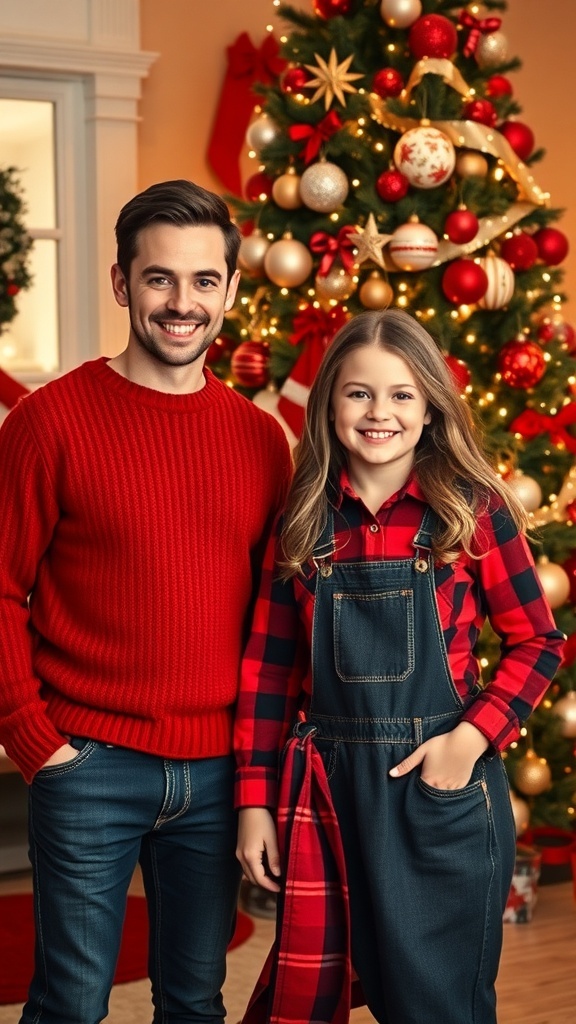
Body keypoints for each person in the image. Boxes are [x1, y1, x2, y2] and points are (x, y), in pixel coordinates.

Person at [0, 179, 292, 1024]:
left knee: (196, 1003)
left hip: (216, 771)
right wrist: (35, 740)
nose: (183, 304)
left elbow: (274, 623)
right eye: (160, 279)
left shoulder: (259, 439)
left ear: (231, 291)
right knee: (69, 1003)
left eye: (205, 281)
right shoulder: (48, 423)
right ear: (123, 284)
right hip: (86, 761)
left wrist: (257, 777)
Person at [234, 308, 565, 1024]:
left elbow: (540, 642)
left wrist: (468, 742)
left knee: (432, 1005)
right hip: (328, 796)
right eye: (359, 393)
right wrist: (255, 802)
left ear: (431, 409)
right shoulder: (302, 518)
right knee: (299, 1002)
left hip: (436, 792)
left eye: (402, 395)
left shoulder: (469, 511)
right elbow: (266, 670)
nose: (379, 412)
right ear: (329, 405)